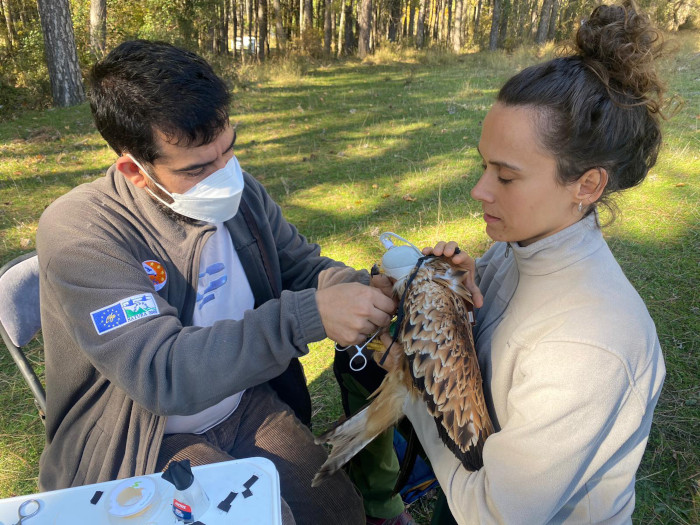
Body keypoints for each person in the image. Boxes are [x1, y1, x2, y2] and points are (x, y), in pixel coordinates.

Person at [35, 40, 399, 525]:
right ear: (133, 169)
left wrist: (366, 289)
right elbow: (161, 375)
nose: (224, 175)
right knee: (269, 519)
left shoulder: (241, 196)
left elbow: (301, 266)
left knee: (338, 511)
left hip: (242, 402)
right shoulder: (82, 231)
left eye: (229, 150)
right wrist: (308, 315)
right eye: (197, 169)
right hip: (144, 439)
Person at [380, 1, 667, 523]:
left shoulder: (589, 346)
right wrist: (456, 294)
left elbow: (491, 513)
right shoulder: (521, 248)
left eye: (505, 177)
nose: (479, 190)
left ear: (587, 185)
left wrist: (414, 374)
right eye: (483, 165)